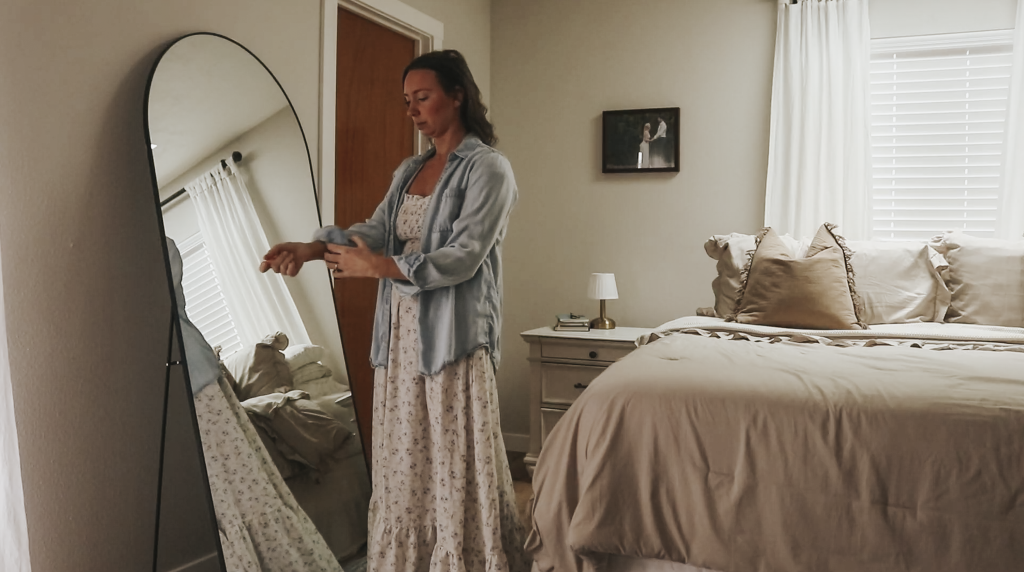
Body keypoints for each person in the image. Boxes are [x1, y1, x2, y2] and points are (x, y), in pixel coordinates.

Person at [259, 49, 529, 572]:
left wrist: (379, 267)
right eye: (407, 101)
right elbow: (377, 231)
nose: (412, 110)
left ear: (457, 95)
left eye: (422, 97)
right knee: (406, 459)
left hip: (452, 337)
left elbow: (465, 255)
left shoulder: (489, 169)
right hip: (399, 339)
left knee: (453, 457)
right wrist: (311, 249)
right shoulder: (410, 170)